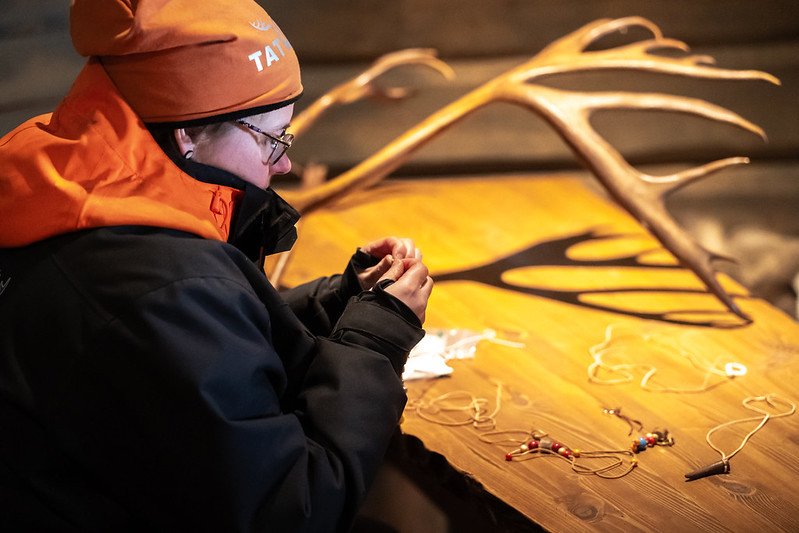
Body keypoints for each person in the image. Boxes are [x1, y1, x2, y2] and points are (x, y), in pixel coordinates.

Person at [0, 0, 433, 531]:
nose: (284, 162)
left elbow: (200, 347)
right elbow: (296, 508)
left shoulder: (61, 192)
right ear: (188, 134)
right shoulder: (157, 284)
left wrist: (339, 305)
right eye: (273, 138)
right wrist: (375, 342)